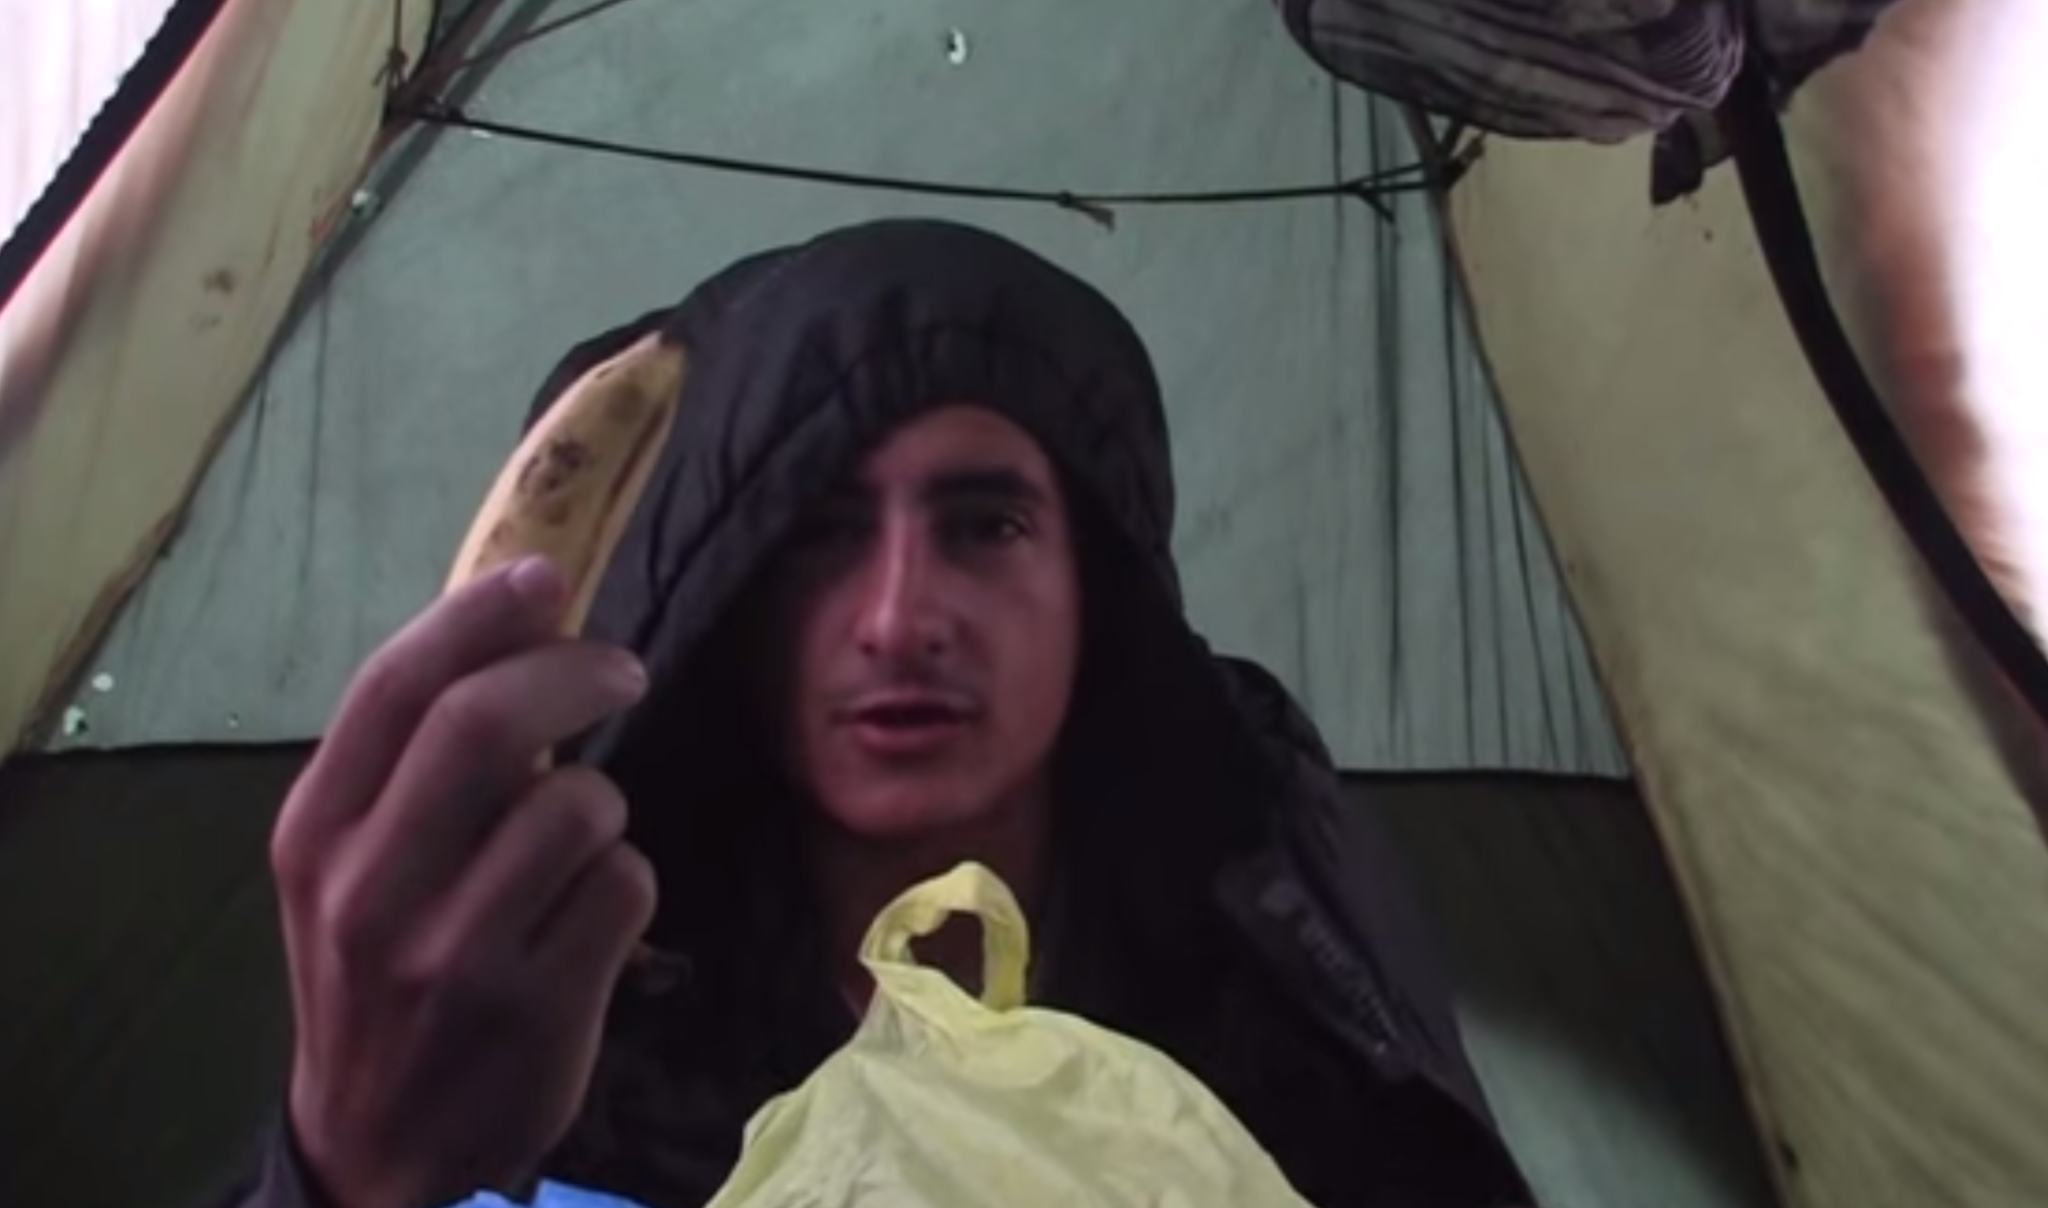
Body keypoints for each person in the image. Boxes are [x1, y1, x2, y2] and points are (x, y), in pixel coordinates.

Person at [224, 219, 1535, 1208]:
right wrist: (343, 1172)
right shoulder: (551, 1051)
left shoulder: (1280, 1022)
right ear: (729, 603)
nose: (901, 617)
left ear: (1095, 591)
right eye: (819, 534)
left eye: (985, 524)